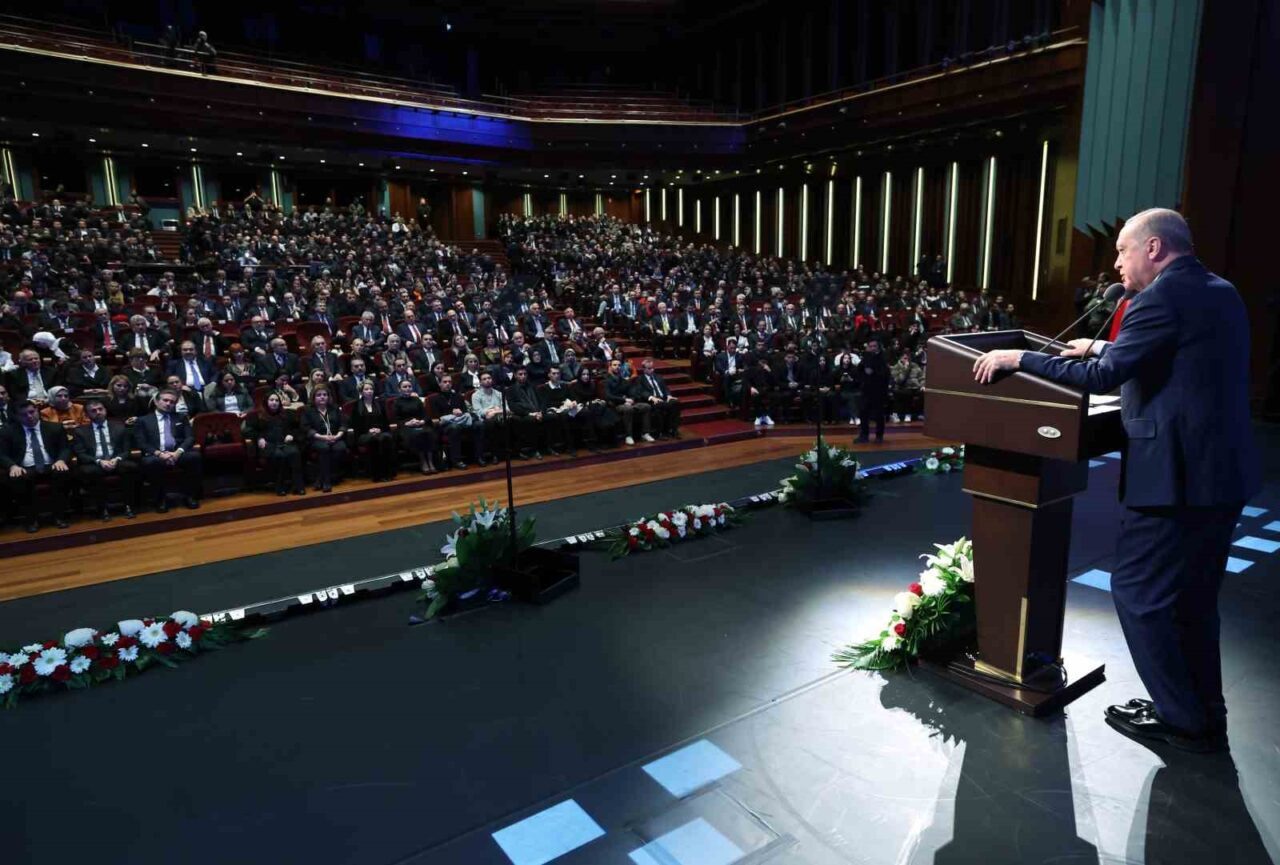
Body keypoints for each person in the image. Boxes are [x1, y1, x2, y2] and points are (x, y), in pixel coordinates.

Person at [973, 208, 1260, 753]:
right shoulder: (1219, 290)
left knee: (1139, 595)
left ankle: (1182, 721)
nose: (1116, 263)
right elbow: (1176, 355)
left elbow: (1103, 378)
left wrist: (1021, 358)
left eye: (1123, 250)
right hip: (1221, 476)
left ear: (1153, 248)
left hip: (1176, 480)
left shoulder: (1159, 299)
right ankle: (1203, 712)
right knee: (1194, 603)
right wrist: (1101, 344)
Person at [0, 400, 72, 531]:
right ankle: (31, 520)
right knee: (17, 478)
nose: (29, 416)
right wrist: (12, 466)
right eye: (24, 414)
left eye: (31, 412)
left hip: (51, 465)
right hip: (24, 468)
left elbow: (65, 448)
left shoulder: (54, 428)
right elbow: (2, 454)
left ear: (37, 411)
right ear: (17, 416)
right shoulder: (8, 431)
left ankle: (59, 517)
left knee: (63, 473)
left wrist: (61, 460)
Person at [134, 388, 203, 511]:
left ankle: (189, 496)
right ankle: (160, 499)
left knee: (194, 457)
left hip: (177, 452)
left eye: (172, 402)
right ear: (156, 401)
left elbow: (190, 438)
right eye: (165, 400)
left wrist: (178, 452)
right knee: (152, 462)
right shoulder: (143, 420)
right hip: (155, 454)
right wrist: (159, 454)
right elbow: (141, 443)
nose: (168, 404)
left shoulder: (181, 417)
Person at [71, 399, 139, 519]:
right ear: (87, 415)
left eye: (100, 409)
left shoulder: (119, 427)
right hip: (95, 462)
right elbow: (81, 454)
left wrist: (117, 459)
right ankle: (102, 508)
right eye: (93, 411)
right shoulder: (80, 431)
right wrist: (99, 461)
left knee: (130, 467)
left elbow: (126, 450)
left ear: (105, 410)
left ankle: (128, 505)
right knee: (91, 472)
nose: (98, 412)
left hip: (115, 460)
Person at [248, 392, 305, 495]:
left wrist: (291, 435)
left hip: (285, 442)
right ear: (266, 402)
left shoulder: (287, 414)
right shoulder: (257, 416)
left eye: (277, 400)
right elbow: (248, 431)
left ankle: (298, 486)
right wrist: (259, 438)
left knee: (294, 453)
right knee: (279, 456)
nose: (274, 402)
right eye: (271, 400)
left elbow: (298, 428)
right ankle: (280, 487)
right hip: (269, 444)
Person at [428, 373, 482, 469]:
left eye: (449, 382)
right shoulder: (434, 398)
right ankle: (457, 460)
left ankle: (479, 457)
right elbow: (437, 416)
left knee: (478, 424)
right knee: (454, 428)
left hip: (461, 421)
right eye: (445, 382)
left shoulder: (458, 396)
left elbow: (465, 411)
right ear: (439, 384)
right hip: (445, 425)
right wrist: (452, 413)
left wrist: (460, 413)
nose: (447, 384)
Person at [300, 386, 347, 492]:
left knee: (340, 448)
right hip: (317, 439)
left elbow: (343, 424)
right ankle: (327, 481)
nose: (322, 397)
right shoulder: (308, 410)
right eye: (319, 395)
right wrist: (322, 437)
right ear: (313, 397)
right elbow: (306, 428)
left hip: (334, 437)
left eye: (325, 395)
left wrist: (338, 435)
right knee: (324, 447)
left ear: (328, 397)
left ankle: (320, 478)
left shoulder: (334, 408)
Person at [631, 358, 681, 439]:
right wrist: (651, 397)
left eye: (653, 368)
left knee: (675, 403)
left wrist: (668, 395)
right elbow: (641, 391)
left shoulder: (658, 376)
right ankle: (660, 432)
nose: (652, 370)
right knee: (659, 405)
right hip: (652, 400)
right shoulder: (640, 379)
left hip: (663, 398)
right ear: (644, 369)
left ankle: (673, 430)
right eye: (649, 368)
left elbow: (665, 388)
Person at [604, 357, 650, 445]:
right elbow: (608, 396)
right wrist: (624, 400)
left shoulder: (623, 380)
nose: (617, 367)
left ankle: (645, 433)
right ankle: (628, 436)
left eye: (619, 365)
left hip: (628, 402)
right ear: (610, 367)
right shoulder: (607, 380)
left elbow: (631, 392)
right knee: (628, 409)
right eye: (614, 365)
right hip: (616, 404)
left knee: (646, 406)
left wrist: (631, 399)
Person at [856, 339, 889, 443]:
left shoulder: (882, 358)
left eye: (874, 346)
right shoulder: (866, 357)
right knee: (863, 413)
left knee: (879, 414)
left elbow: (885, 374)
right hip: (866, 390)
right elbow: (859, 370)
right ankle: (864, 435)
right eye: (870, 346)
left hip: (878, 391)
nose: (872, 348)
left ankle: (879, 436)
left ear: (878, 347)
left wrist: (873, 373)